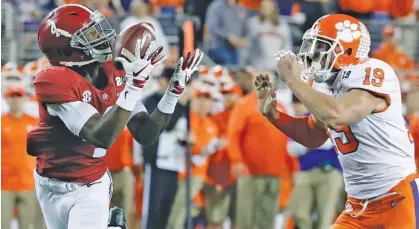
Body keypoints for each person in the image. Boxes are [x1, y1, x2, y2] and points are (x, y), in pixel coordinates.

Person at [27, 4, 203, 229]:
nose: (100, 37)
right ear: (66, 50)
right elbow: (99, 135)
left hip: (90, 185)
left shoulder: (114, 72)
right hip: (49, 184)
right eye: (90, 34)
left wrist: (172, 94)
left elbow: (146, 133)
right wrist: (134, 87)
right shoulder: (53, 80)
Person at [256, 14, 416, 228]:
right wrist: (274, 114)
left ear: (347, 50)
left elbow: (338, 115)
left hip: (397, 197)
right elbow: (313, 135)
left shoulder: (372, 70)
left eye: (322, 46)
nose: (313, 53)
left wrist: (293, 80)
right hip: (357, 205)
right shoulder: (327, 85)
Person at [228, 70, 290, 229]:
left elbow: (285, 140)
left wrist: (288, 168)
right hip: (249, 172)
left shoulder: (281, 107)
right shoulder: (244, 104)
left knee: (268, 219)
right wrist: (236, 161)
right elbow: (233, 136)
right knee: (246, 219)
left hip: (274, 173)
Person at [167, 86, 225, 229]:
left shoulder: (212, 126)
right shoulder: (184, 118)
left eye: (207, 99)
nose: (203, 103)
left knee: (183, 208)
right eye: (200, 98)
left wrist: (210, 149)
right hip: (176, 170)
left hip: (197, 174)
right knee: (175, 207)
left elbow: (204, 152)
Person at [140, 68, 189, 229]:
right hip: (157, 163)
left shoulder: (183, 104)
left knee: (167, 208)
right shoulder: (151, 100)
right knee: (154, 208)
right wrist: (181, 103)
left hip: (175, 163)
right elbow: (165, 125)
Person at [286, 96, 343, 229]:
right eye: (294, 103)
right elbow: (291, 149)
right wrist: (310, 143)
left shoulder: (327, 119)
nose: (297, 106)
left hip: (330, 172)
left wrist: (306, 144)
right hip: (305, 172)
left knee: (325, 215)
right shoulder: (297, 122)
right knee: (299, 213)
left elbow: (328, 143)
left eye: (299, 103)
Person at [205, 76, 242, 229]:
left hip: (240, 174)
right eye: (225, 94)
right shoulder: (215, 118)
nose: (228, 97)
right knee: (215, 218)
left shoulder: (245, 117)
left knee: (238, 218)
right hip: (218, 173)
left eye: (231, 93)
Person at [1, 86, 40, 229]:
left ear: (24, 99)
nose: (15, 100)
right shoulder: (1, 122)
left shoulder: (34, 122)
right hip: (4, 184)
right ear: (6, 98)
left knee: (27, 224)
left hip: (28, 183)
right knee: (3, 224)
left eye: (18, 96)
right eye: (12, 96)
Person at [244, 0, 292, 71]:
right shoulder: (253, 23)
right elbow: (247, 45)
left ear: (273, 7)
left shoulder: (283, 25)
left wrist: (286, 65)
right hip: (257, 67)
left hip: (276, 68)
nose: (265, 9)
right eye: (263, 7)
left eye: (268, 6)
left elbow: (287, 46)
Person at [205, 0, 248, 65]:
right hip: (218, 47)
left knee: (236, 70)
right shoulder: (217, 6)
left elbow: (245, 27)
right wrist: (228, 36)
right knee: (225, 70)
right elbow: (212, 27)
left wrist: (244, 38)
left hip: (235, 49)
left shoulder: (241, 8)